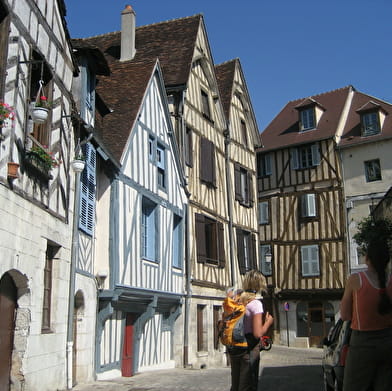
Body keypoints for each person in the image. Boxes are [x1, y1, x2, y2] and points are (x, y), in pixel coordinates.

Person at [340, 238, 392, 391]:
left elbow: (345, 315)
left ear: (367, 258)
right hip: (389, 341)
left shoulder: (356, 280)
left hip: (362, 342)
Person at [228, 270, 274, 391]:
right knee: (248, 385)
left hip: (235, 348)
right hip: (249, 350)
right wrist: (268, 323)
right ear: (260, 285)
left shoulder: (238, 301)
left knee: (235, 385)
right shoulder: (255, 304)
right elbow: (257, 333)